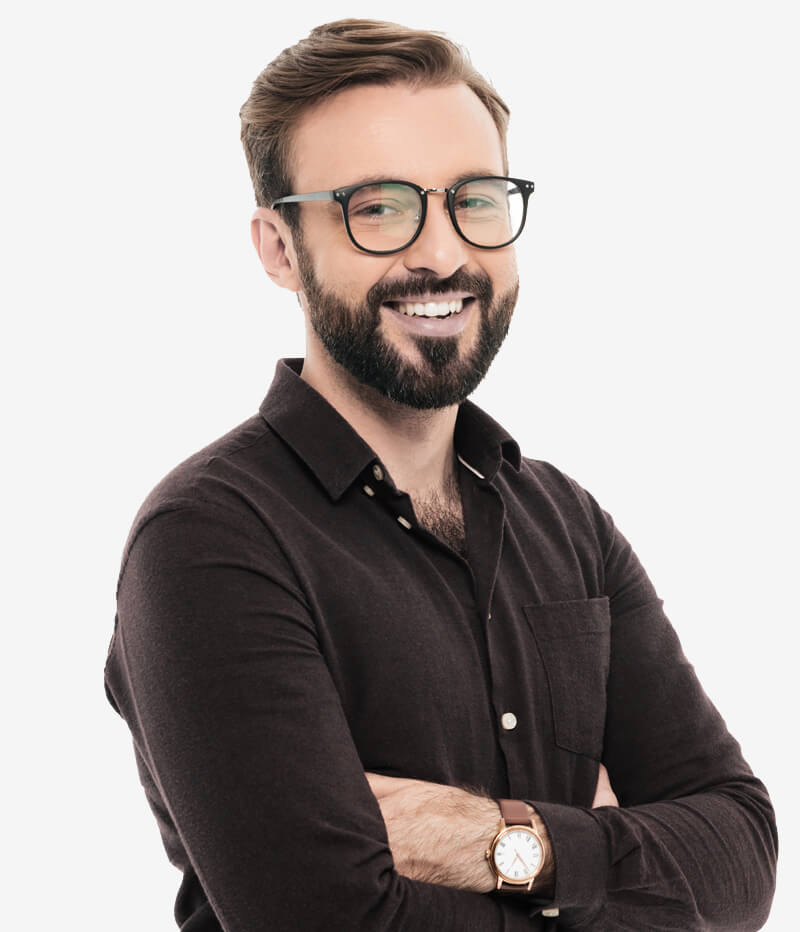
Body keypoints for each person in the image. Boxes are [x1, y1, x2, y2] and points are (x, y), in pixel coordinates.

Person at [104, 18, 777, 932]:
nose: (443, 254)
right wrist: (611, 856)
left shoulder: (566, 521)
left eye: (476, 199)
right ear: (279, 248)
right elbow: (328, 919)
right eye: (379, 207)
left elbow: (742, 856)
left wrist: (496, 842)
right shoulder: (207, 540)